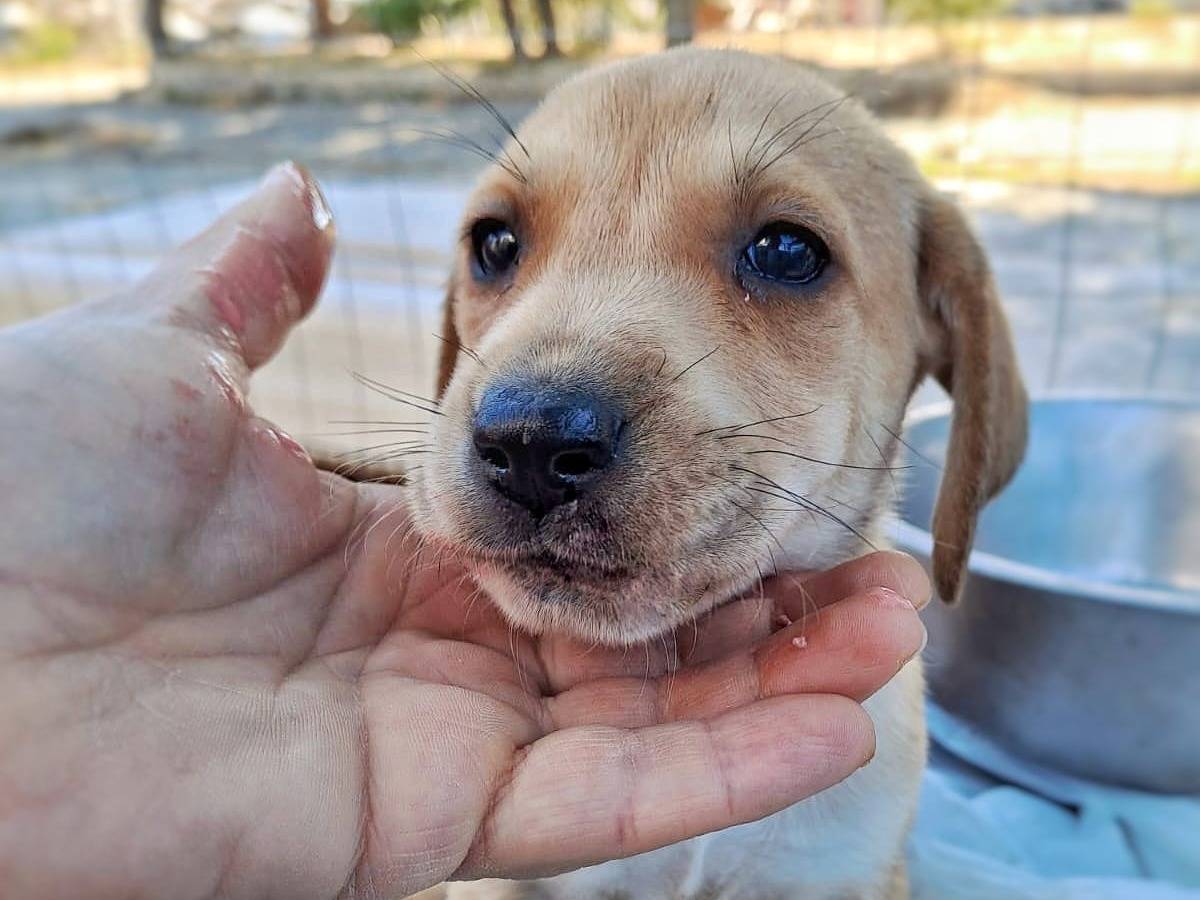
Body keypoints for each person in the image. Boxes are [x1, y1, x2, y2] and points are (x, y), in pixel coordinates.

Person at [0, 163, 929, 899]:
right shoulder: (458, 717)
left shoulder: (866, 710)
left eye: (781, 252)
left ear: (930, 333)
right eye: (500, 246)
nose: (531, 414)